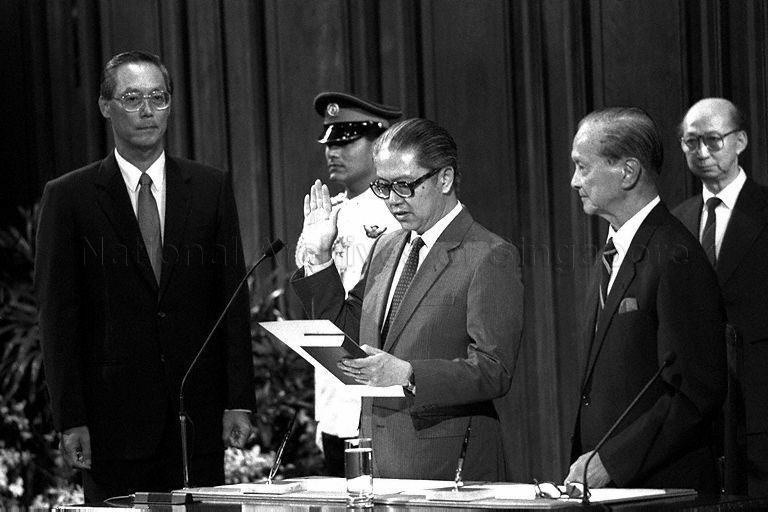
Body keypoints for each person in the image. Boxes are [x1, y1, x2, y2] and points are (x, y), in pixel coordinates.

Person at [34, 51, 254, 503]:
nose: (148, 110)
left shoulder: (210, 188)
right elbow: (58, 319)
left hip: (196, 422)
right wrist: (70, 417)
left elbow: (231, 301)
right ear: (105, 106)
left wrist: (239, 400)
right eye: (132, 99)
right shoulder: (69, 198)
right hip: (112, 425)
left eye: (158, 97)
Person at [291, 118, 523, 480]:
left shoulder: (489, 254)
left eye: (404, 185)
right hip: (378, 465)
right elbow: (349, 334)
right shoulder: (386, 247)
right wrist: (320, 257)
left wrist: (409, 374)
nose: (392, 200)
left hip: (447, 468)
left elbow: (494, 370)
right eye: (383, 187)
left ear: (444, 179)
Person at [565, 107, 726, 492]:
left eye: (582, 167)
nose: (574, 181)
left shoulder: (676, 257)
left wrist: (612, 461)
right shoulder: (610, 254)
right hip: (612, 489)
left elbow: (695, 392)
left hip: (662, 490)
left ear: (628, 172)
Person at [295, 92, 402, 476]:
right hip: (334, 394)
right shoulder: (328, 211)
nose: (333, 152)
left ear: (379, 143)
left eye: (346, 141)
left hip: (379, 390)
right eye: (329, 143)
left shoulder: (396, 212)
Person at [673, 97, 768, 496]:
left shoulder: (764, 209)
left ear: (740, 141)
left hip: (760, 398)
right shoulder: (678, 220)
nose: (702, 152)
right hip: (702, 408)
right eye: (691, 141)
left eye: (713, 140)